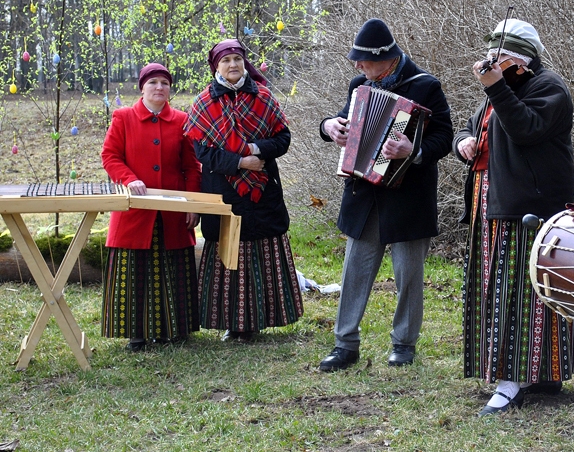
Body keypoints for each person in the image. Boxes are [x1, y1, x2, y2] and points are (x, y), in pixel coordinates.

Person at [453, 18, 574, 416]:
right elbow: (472, 123)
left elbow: (526, 128)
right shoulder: (504, 88)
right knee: (503, 291)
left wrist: (495, 86)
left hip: (530, 206)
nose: (492, 63)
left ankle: (518, 379)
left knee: (526, 293)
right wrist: (463, 141)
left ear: (522, 59)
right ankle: (533, 373)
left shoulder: (548, 87)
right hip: (494, 205)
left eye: (501, 57)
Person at [318, 18, 453, 371]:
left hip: (409, 198)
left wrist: (414, 149)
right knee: (354, 272)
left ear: (388, 59)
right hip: (364, 196)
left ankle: (404, 345)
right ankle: (345, 344)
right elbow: (343, 121)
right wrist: (328, 126)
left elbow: (445, 137)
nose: (358, 67)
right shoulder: (358, 85)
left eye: (364, 62)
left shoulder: (426, 86)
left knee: (408, 274)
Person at [185, 39, 303, 342]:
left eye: (237, 59)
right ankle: (233, 324)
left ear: (244, 63)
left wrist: (255, 150)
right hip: (222, 189)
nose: (233, 65)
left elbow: (283, 139)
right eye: (226, 61)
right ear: (216, 66)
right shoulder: (203, 103)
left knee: (262, 248)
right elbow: (202, 153)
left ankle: (264, 317)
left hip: (263, 190)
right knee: (229, 250)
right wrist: (239, 162)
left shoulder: (263, 96)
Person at [101, 63, 202, 351]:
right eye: (153, 82)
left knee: (172, 266)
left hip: (172, 212)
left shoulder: (183, 120)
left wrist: (191, 204)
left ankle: (174, 330)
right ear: (142, 87)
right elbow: (110, 156)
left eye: (165, 83)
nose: (160, 87)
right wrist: (129, 179)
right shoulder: (123, 117)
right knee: (136, 270)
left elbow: (192, 168)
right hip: (134, 211)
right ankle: (137, 333)